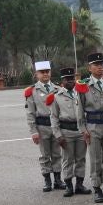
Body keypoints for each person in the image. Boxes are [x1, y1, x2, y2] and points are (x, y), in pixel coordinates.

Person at [76, 53, 103, 203]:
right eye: (96, 64)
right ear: (89, 68)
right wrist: (83, 129)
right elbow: (79, 110)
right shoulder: (83, 85)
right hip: (93, 126)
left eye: (101, 64)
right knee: (95, 159)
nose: (100, 67)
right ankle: (97, 189)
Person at [49, 67, 90, 197]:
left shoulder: (81, 92)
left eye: (72, 78)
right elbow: (54, 117)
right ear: (62, 81)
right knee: (67, 159)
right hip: (66, 131)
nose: (70, 81)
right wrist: (58, 135)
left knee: (81, 159)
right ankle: (68, 185)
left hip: (80, 131)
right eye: (67, 79)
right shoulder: (56, 96)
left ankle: (79, 184)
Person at [25, 60, 65, 192]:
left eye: (47, 71)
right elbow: (30, 113)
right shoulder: (32, 91)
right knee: (44, 155)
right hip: (42, 127)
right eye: (42, 72)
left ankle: (58, 179)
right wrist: (33, 131)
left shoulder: (58, 89)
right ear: (37, 74)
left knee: (57, 154)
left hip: (56, 127)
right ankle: (47, 180)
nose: (45, 74)